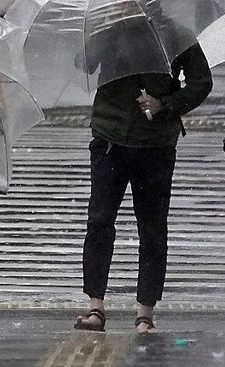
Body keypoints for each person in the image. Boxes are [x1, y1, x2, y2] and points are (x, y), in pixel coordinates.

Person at [73, 28, 211, 334]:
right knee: (99, 221)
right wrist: (105, 29)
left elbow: (201, 83)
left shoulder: (175, 33)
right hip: (110, 138)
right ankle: (95, 305)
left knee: (152, 228)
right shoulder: (108, 28)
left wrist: (165, 103)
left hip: (156, 145)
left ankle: (145, 312)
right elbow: (84, 63)